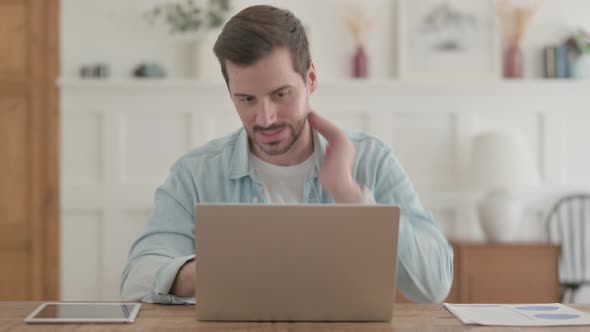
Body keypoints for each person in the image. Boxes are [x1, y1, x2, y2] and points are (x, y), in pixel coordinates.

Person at [121, 5, 453, 304]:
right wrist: (208, 271)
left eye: (281, 94)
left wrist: (352, 199)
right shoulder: (196, 173)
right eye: (247, 99)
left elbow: (434, 285)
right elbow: (136, 279)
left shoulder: (371, 159)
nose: (265, 118)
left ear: (310, 79)